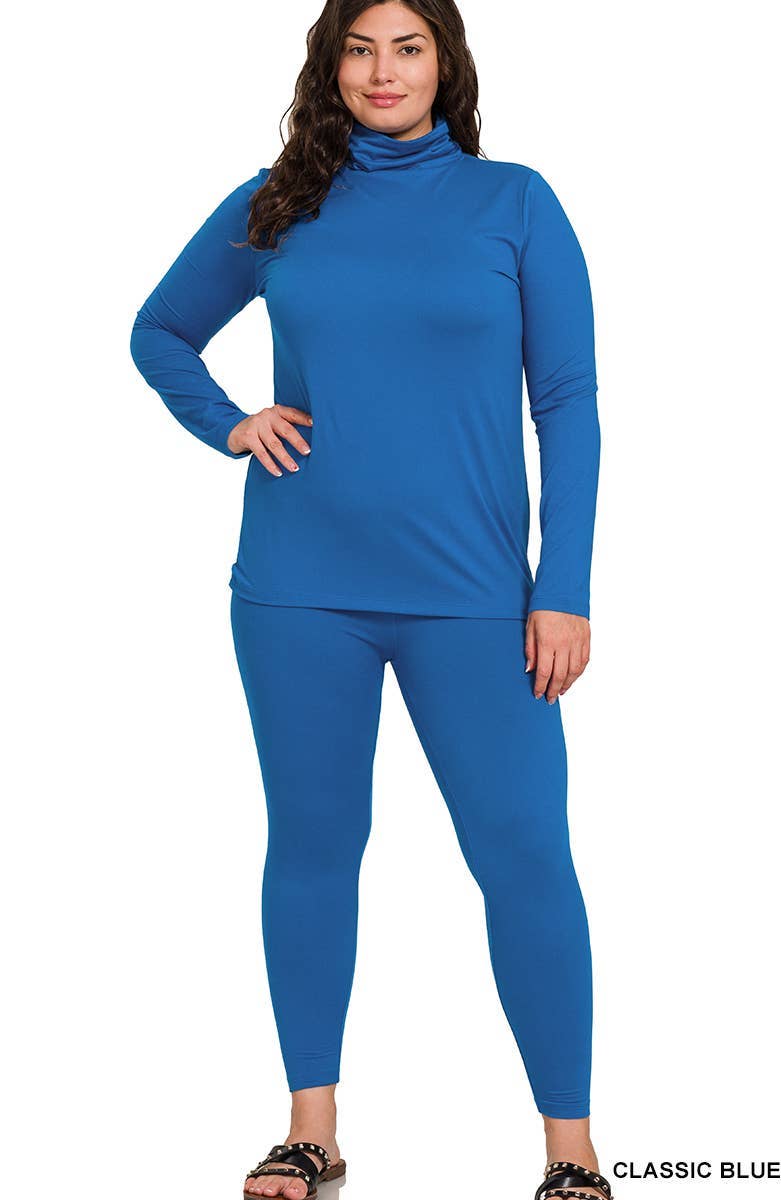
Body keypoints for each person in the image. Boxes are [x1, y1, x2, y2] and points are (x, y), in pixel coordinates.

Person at [129, 3, 613, 1199]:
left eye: (406, 48)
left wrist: (560, 587)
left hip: (474, 600)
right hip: (299, 592)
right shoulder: (276, 203)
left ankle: (570, 1154)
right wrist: (229, 424)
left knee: (523, 855)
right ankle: (312, 1129)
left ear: (444, 64)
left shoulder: (513, 203)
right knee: (311, 847)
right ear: (328, 65)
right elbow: (161, 331)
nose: (381, 71)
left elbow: (567, 401)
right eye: (357, 48)